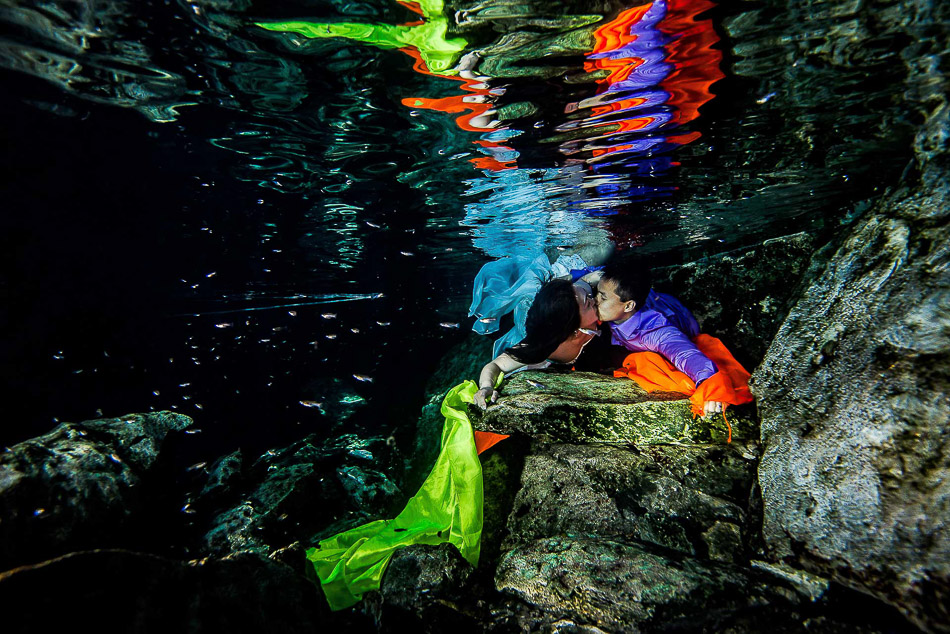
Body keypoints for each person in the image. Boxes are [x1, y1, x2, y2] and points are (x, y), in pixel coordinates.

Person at [594, 257, 725, 417]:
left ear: (628, 305)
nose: (594, 300)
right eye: (596, 293)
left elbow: (685, 354)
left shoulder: (654, 332)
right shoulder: (618, 298)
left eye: (602, 297)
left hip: (680, 317)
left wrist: (709, 388)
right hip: (652, 299)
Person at [474, 277, 601, 409]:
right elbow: (495, 365)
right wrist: (486, 386)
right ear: (574, 330)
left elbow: (585, 285)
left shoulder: (583, 294)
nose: (595, 301)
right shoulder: (541, 346)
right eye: (588, 303)